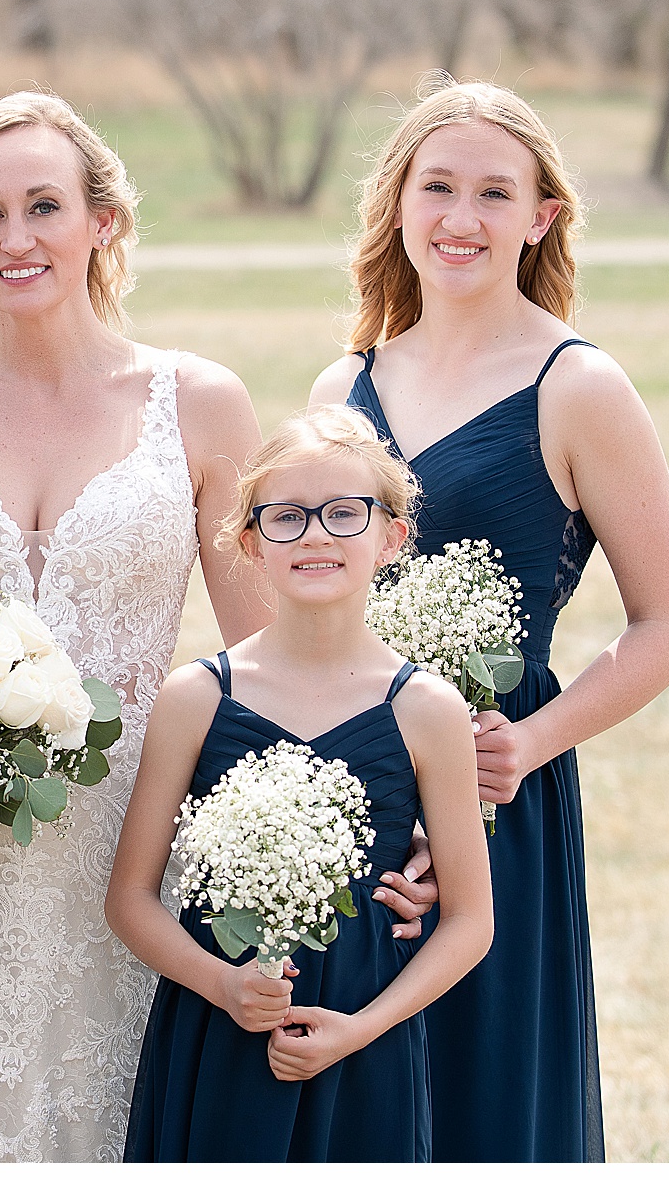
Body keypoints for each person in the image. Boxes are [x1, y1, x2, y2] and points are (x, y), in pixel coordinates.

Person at [0, 91, 433, 1159]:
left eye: (44, 206)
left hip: (129, 854)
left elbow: (269, 659)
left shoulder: (197, 402)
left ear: (102, 220)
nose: (15, 239)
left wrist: (391, 806)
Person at [311, 79, 669, 1159]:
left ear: (541, 216)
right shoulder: (342, 386)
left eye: (495, 192)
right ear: (398, 204)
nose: (461, 217)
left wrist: (522, 747)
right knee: (352, 1098)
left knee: (484, 1093)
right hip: (344, 777)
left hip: (497, 785)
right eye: (437, 186)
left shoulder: (580, 386)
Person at [110, 406, 493, 1161]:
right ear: (249, 540)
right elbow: (129, 899)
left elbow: (471, 922)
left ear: (393, 536)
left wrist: (363, 1027)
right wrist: (224, 986)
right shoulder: (198, 696)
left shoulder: (428, 708)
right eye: (286, 516)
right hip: (220, 1027)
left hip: (363, 1037)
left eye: (345, 513)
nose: (316, 534)